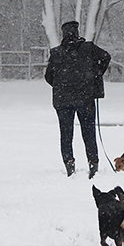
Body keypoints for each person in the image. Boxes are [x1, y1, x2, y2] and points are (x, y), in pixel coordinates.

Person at [44, 21, 111, 179]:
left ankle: (69, 164)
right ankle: (93, 164)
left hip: (63, 100)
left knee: (66, 134)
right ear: (77, 32)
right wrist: (96, 74)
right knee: (89, 132)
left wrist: (61, 84)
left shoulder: (56, 53)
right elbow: (106, 57)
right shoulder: (89, 48)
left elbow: (48, 76)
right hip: (86, 98)